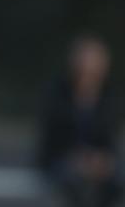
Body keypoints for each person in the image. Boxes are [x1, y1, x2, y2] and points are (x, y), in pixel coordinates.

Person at [38, 35, 123, 207]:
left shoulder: (109, 97)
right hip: (61, 160)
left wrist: (102, 160)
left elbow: (110, 138)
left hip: (97, 163)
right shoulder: (57, 93)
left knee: (116, 181)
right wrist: (77, 159)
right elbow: (52, 138)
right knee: (74, 182)